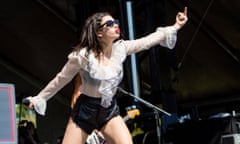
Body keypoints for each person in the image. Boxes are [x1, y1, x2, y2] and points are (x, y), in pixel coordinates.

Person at [24, 7, 188, 144]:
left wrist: (175, 26)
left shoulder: (120, 49)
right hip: (85, 112)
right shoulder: (83, 56)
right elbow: (61, 78)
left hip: (108, 111)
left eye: (115, 22)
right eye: (109, 24)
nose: (115, 25)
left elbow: (148, 41)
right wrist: (39, 98)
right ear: (99, 33)